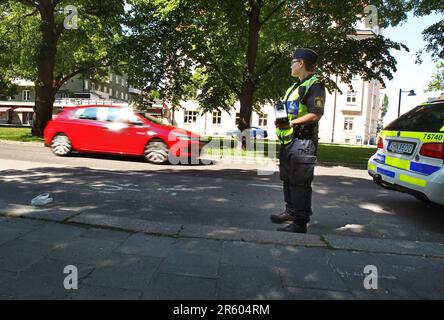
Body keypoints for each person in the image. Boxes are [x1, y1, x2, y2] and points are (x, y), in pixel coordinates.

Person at [270, 48, 326, 233]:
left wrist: (291, 123)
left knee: (300, 182)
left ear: (301, 63)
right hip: (289, 141)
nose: (291, 66)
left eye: (293, 62)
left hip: (303, 142)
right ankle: (290, 212)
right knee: (287, 178)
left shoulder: (315, 85)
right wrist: (281, 119)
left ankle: (300, 222)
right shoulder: (294, 87)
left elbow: (315, 114)